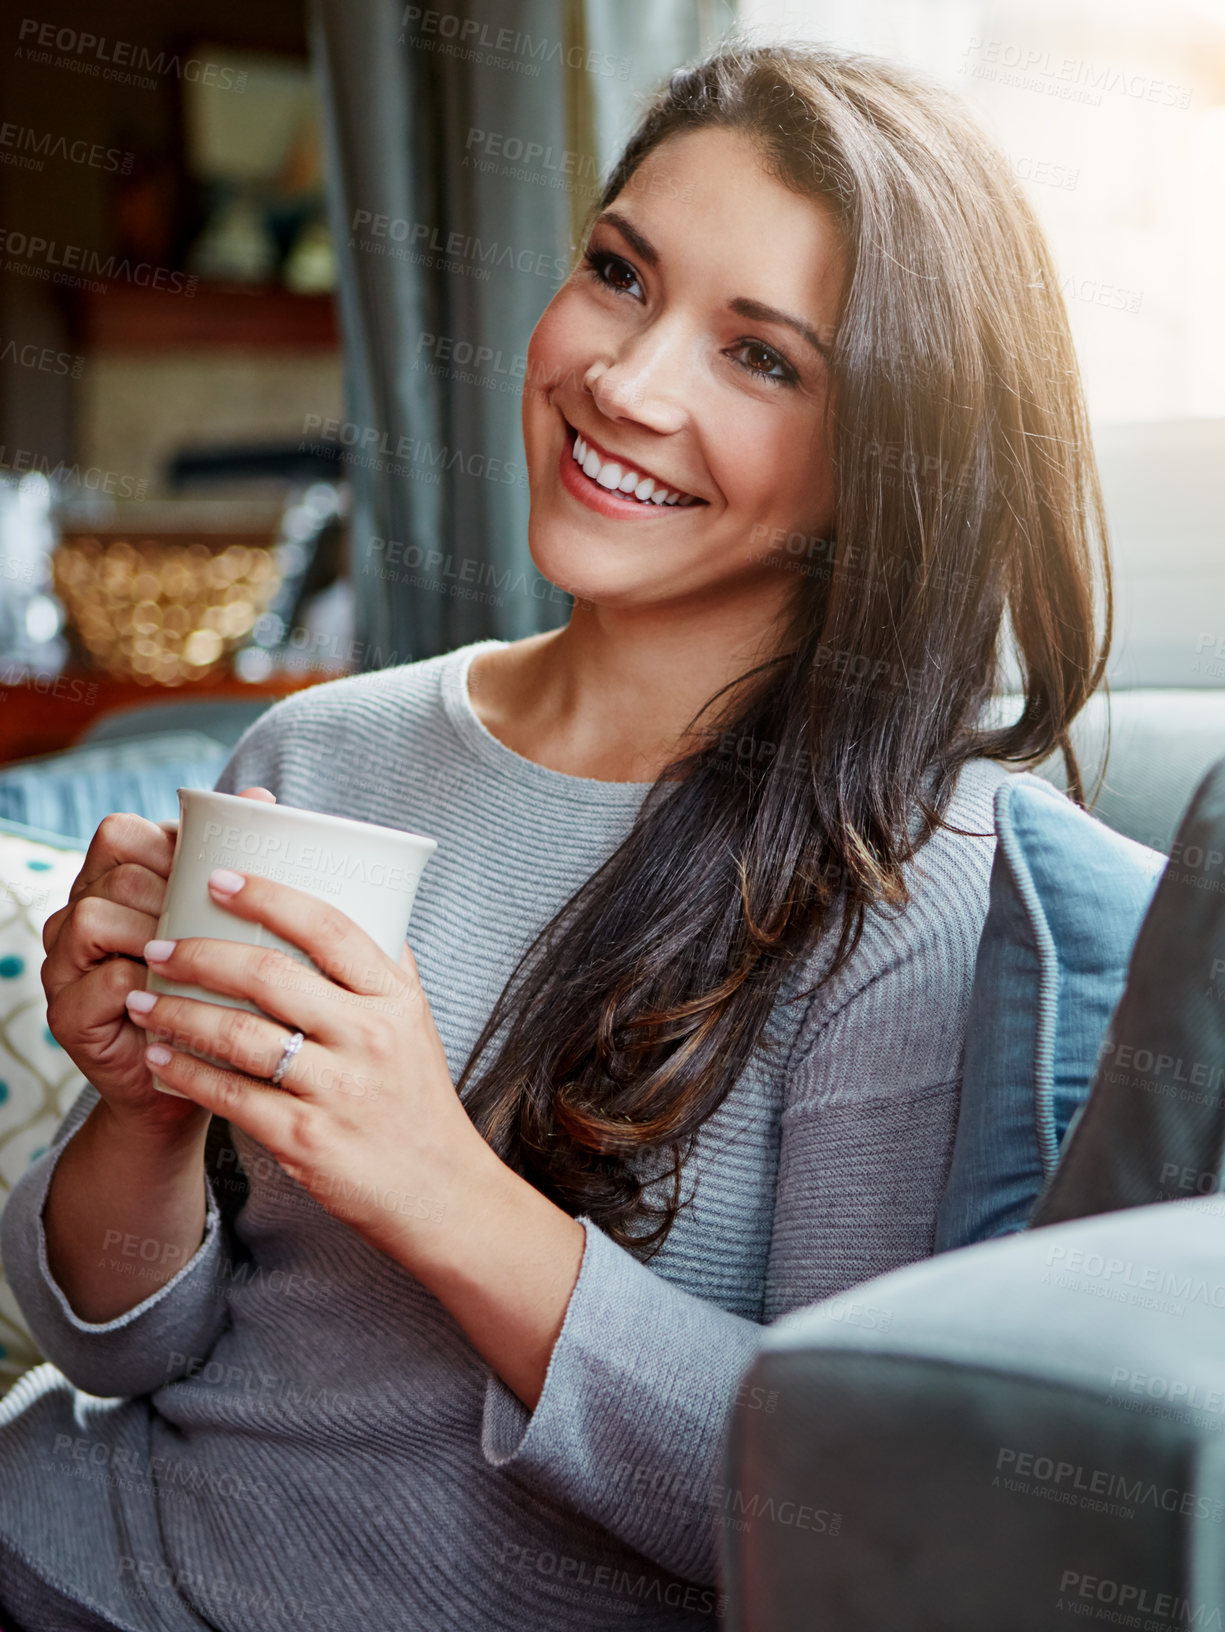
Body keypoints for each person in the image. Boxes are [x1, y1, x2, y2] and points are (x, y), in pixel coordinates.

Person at [0, 37, 1110, 1632]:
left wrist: (430, 1181)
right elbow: (116, 1348)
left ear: (893, 459)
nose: (626, 381)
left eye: (763, 358)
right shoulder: (323, 747)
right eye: (617, 275)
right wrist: (140, 1116)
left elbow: (833, 1508)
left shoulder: (917, 892)